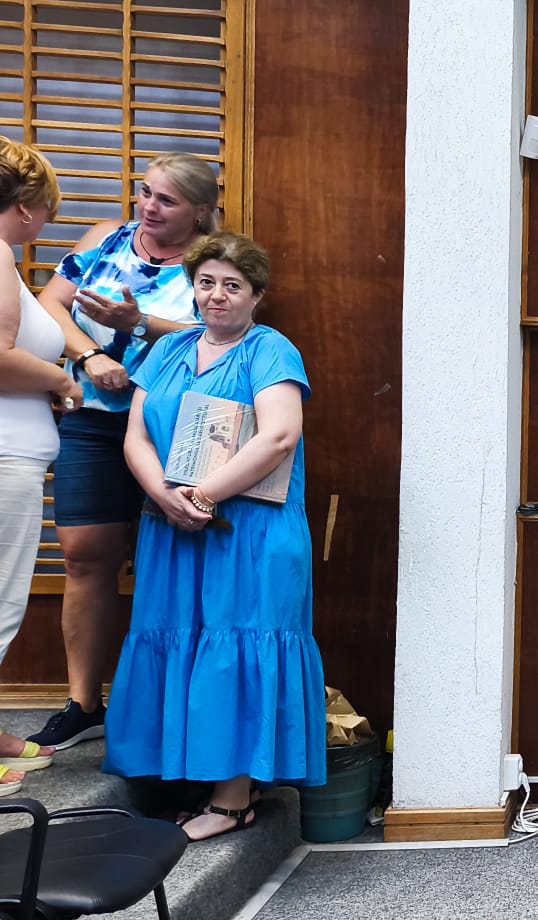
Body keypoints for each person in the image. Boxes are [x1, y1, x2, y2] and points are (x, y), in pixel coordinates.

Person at [103, 232, 326, 841]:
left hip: (251, 530)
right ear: (192, 288)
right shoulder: (167, 348)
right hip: (173, 523)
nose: (217, 295)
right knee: (185, 638)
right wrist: (163, 495)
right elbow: (135, 436)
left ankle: (231, 802)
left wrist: (202, 495)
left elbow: (279, 435)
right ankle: (197, 780)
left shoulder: (270, 349)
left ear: (257, 294)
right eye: (206, 283)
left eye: (233, 285)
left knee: (238, 642)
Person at [29, 152, 222, 753]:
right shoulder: (105, 238)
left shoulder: (213, 260)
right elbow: (50, 303)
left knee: (181, 555)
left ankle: (178, 702)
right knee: (85, 555)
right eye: (145, 192)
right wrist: (88, 356)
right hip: (89, 417)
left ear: (200, 211)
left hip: (171, 424)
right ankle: (83, 703)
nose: (149, 207)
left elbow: (222, 333)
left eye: (166, 200)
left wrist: (139, 323)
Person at [0, 137, 72, 789]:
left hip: (13, 452)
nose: (47, 221)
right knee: (0, 602)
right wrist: (62, 381)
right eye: (48, 207)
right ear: (26, 206)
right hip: (6, 458)